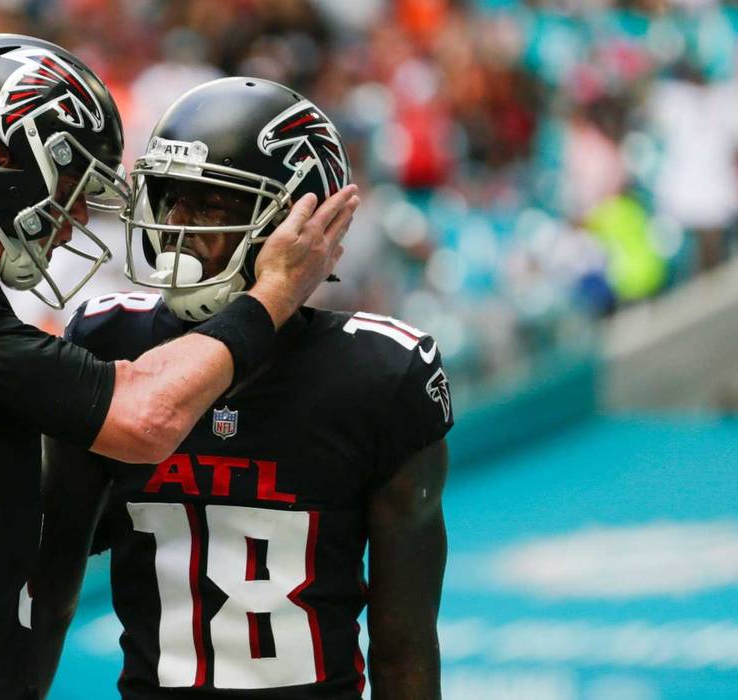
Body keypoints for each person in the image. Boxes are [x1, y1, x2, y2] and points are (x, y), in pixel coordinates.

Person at [0, 37, 358, 700]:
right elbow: (146, 415)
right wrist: (272, 294)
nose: (75, 220)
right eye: (74, 183)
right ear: (5, 153)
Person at [31, 78, 449, 699]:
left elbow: (404, 650)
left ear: (297, 224)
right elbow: (48, 581)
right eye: (172, 201)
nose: (176, 227)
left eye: (211, 207)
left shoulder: (382, 376)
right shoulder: (109, 339)